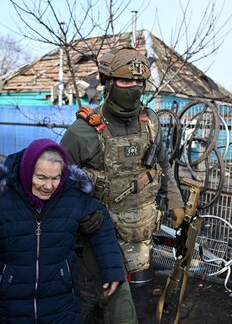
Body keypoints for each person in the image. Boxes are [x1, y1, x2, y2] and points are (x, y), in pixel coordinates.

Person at [60, 46, 186, 324]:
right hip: (100, 233)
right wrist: (86, 214)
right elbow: (58, 186)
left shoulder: (150, 122)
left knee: (124, 295)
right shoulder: (82, 132)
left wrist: (175, 200)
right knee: (120, 302)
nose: (133, 88)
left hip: (139, 230)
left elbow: (163, 166)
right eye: (125, 81)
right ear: (107, 82)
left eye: (139, 82)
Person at [0, 138, 126, 323]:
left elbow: (100, 224)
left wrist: (112, 268)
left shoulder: (72, 194)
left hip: (60, 302)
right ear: (27, 170)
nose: (49, 186)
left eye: (56, 178)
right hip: (5, 304)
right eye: (41, 177)